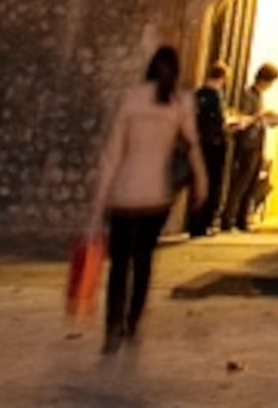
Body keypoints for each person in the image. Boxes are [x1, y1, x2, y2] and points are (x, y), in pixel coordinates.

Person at [88, 44, 208, 355]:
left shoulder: (131, 99)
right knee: (143, 262)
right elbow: (192, 146)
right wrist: (202, 184)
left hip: (124, 195)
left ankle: (112, 327)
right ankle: (132, 322)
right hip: (156, 197)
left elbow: (112, 155)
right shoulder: (180, 103)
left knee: (119, 266)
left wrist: (97, 205)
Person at [222, 62, 278, 232]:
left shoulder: (258, 96)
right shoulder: (248, 95)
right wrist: (260, 115)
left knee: (251, 182)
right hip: (247, 142)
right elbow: (243, 119)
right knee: (241, 181)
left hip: (256, 141)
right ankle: (229, 218)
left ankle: (241, 219)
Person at [185, 63, 233, 237]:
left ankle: (193, 222)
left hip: (197, 144)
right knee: (213, 182)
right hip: (214, 144)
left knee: (197, 182)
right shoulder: (216, 97)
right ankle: (205, 222)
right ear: (223, 78)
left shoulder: (197, 94)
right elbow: (220, 122)